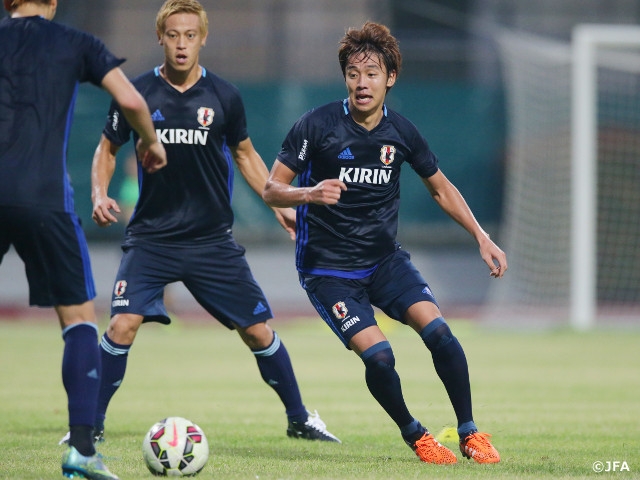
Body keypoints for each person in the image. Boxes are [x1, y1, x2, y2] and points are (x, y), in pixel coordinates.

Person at [82, 0, 340, 445]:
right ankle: (89, 428)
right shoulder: (136, 92)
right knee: (121, 325)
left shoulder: (224, 96)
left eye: (190, 35)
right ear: (160, 38)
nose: (181, 44)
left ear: (203, 38)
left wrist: (275, 201)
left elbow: (245, 155)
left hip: (211, 241)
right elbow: (107, 148)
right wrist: (99, 193)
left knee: (258, 331)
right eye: (173, 35)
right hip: (152, 239)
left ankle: (299, 418)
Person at [262, 21, 507, 465]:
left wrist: (481, 236)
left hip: (384, 263)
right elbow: (270, 189)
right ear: (345, 79)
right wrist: (309, 193)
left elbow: (441, 188)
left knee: (440, 333)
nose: (362, 83)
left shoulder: (402, 133)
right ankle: (416, 435)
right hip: (329, 272)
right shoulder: (316, 126)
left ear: (390, 78)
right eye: (354, 73)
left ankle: (471, 433)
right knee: (380, 358)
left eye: (372, 73)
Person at [0, 0, 166, 479]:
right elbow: (132, 101)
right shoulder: (76, 42)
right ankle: (80, 452)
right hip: (45, 197)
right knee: (77, 321)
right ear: (53, 2)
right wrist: (151, 143)